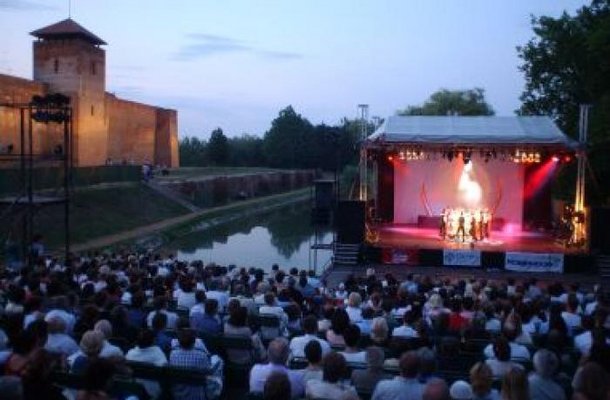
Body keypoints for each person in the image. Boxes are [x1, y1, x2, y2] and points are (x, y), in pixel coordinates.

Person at [125, 329, 168, 399]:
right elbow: (165, 369)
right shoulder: (157, 352)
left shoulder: (130, 353)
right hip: (151, 394)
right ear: (153, 341)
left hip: (134, 392)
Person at [169, 328, 210, 400]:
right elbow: (207, 373)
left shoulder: (173, 354)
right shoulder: (202, 355)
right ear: (194, 341)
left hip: (178, 394)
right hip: (197, 396)